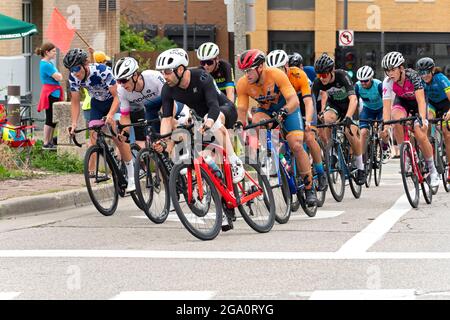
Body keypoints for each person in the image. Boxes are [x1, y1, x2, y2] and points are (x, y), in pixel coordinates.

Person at [235, 49, 317, 206]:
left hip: (288, 108)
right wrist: (240, 124)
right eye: (245, 71)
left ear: (260, 67)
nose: (247, 74)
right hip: (266, 110)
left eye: (250, 70)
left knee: (296, 145)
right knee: (257, 123)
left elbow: (294, 100)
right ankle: (272, 155)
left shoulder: (276, 74)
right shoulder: (243, 84)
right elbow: (242, 111)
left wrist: (284, 111)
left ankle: (309, 187)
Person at [155, 48, 245, 183]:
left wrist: (208, 122)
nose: (164, 76)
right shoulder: (167, 89)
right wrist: (163, 140)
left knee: (214, 120)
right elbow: (167, 118)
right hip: (203, 120)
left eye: (167, 71)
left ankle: (235, 162)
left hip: (223, 110)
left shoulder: (201, 77)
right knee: (204, 154)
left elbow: (213, 106)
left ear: (180, 70)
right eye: (162, 72)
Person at [64, 48, 136, 192]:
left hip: (114, 102)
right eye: (71, 70)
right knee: (94, 136)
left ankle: (131, 174)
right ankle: (106, 165)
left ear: (86, 64)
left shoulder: (102, 70)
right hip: (97, 104)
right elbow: (75, 102)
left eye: (77, 68)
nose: (75, 73)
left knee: (118, 137)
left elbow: (117, 96)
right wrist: (73, 124)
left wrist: (110, 115)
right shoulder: (73, 78)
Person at [266, 49, 327, 191]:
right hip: (287, 106)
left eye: (280, 69)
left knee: (309, 136)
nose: (277, 73)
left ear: (286, 66)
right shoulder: (269, 79)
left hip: (304, 103)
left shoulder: (298, 74)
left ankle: (320, 171)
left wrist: (308, 122)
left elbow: (308, 102)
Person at [380, 51, 439, 187]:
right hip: (402, 103)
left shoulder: (413, 76)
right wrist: (385, 127)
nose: (390, 74)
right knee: (396, 120)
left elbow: (421, 101)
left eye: (393, 70)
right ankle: (405, 156)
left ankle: (432, 169)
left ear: (401, 68)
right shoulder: (387, 82)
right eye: (387, 71)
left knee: (419, 133)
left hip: (418, 103)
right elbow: (387, 107)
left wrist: (423, 121)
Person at [312, 53, 366, 185]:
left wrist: (348, 117)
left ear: (331, 71)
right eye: (319, 75)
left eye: (324, 75)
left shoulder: (342, 76)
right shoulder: (318, 82)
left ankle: (360, 167)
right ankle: (332, 152)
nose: (322, 78)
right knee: (326, 119)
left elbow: (353, 99)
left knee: (350, 132)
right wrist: (312, 118)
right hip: (334, 105)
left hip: (349, 106)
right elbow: (310, 102)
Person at [113, 56, 190, 149]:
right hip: (151, 109)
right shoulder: (121, 90)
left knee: (166, 127)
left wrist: (169, 123)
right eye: (118, 81)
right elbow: (125, 116)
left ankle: (183, 133)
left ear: (135, 75)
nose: (122, 85)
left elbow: (169, 99)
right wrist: (125, 133)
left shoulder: (153, 77)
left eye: (124, 80)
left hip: (168, 102)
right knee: (155, 145)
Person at [416, 57, 450, 182]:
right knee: (427, 120)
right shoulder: (420, 81)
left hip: (446, 104)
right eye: (421, 73)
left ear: (432, 70)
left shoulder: (441, 79)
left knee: (447, 133)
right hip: (433, 105)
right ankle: (430, 147)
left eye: (426, 72)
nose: (424, 76)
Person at [36, 43, 64, 150]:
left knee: (53, 119)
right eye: (53, 51)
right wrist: (58, 75)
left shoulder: (50, 63)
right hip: (50, 93)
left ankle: (50, 141)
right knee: (49, 118)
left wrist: (59, 75)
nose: (55, 53)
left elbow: (59, 76)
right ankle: (46, 142)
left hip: (54, 92)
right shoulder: (46, 65)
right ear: (47, 52)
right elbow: (58, 77)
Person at [355, 65, 385, 155]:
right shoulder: (357, 86)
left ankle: (385, 145)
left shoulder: (379, 85)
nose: (363, 83)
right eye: (361, 81)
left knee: (382, 131)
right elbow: (354, 102)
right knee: (363, 132)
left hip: (381, 109)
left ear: (371, 78)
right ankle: (362, 158)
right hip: (367, 109)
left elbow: (386, 101)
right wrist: (354, 117)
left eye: (366, 81)